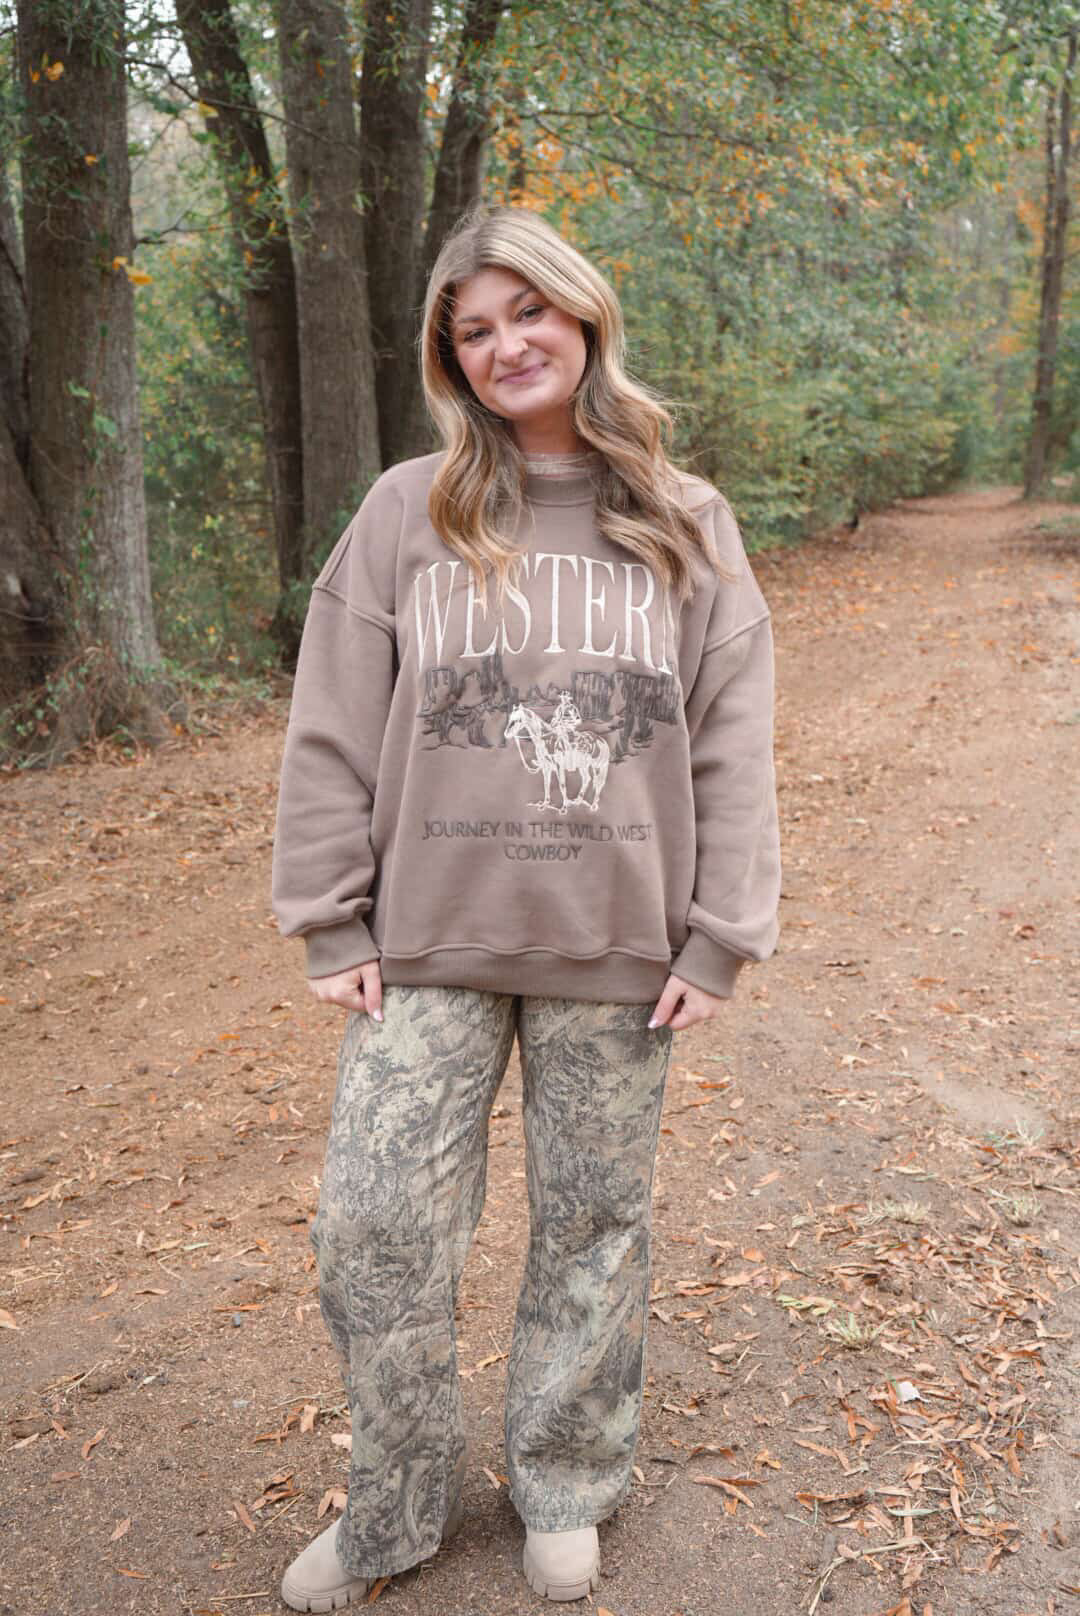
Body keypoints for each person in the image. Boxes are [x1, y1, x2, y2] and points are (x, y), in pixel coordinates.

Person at [270, 202, 781, 1610]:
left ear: (582, 313)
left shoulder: (685, 521)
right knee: (373, 1226)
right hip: (425, 943)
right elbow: (331, 721)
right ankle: (393, 1506)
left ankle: (565, 1480)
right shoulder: (407, 510)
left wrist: (720, 935)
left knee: (593, 1224)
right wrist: (329, 914)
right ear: (452, 361)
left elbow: (733, 741)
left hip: (619, 943)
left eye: (528, 313)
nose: (507, 347)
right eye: (475, 332)